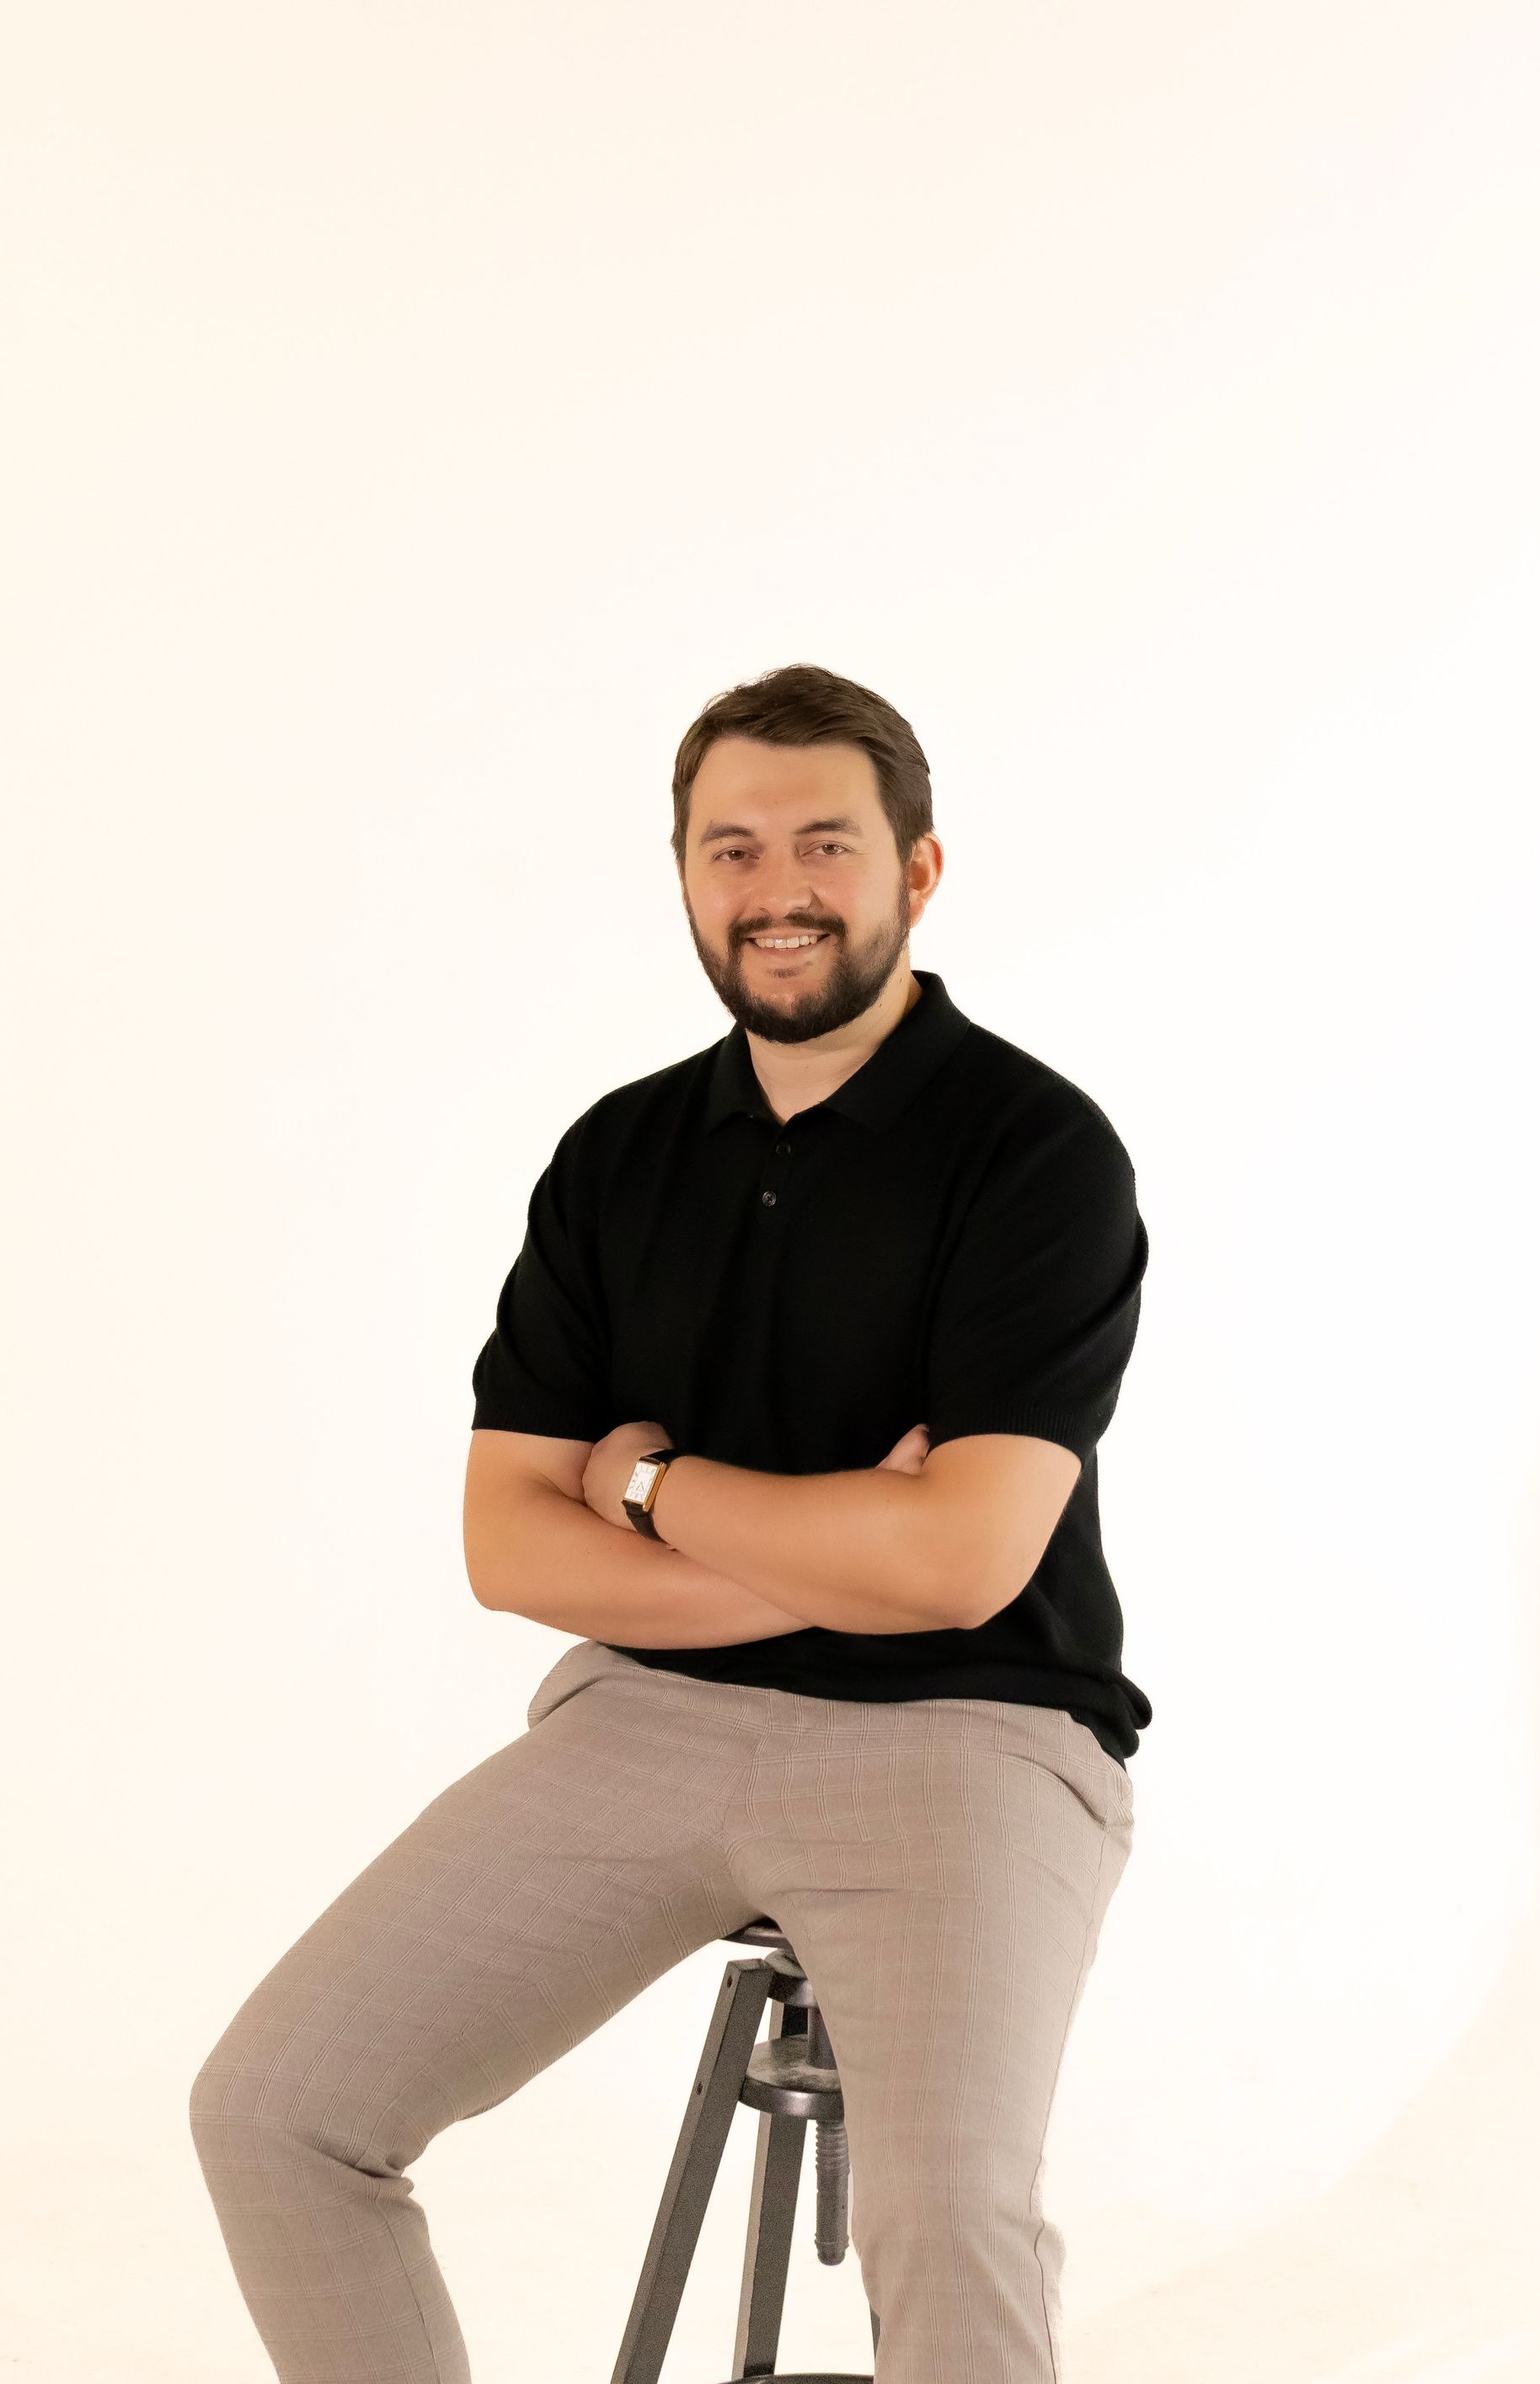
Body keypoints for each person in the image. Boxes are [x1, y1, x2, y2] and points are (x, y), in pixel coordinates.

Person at [189, 660, 1152, 2383]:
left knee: (949, 2216)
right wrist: (850, 1539)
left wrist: (644, 1488)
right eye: (730, 847)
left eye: (824, 844)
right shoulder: (619, 1155)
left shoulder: (1036, 1152)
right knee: (277, 2112)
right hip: (644, 1716)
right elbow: (507, 1550)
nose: (775, 889)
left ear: (917, 870)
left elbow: (964, 1570)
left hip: (975, 1727)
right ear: (687, 872)